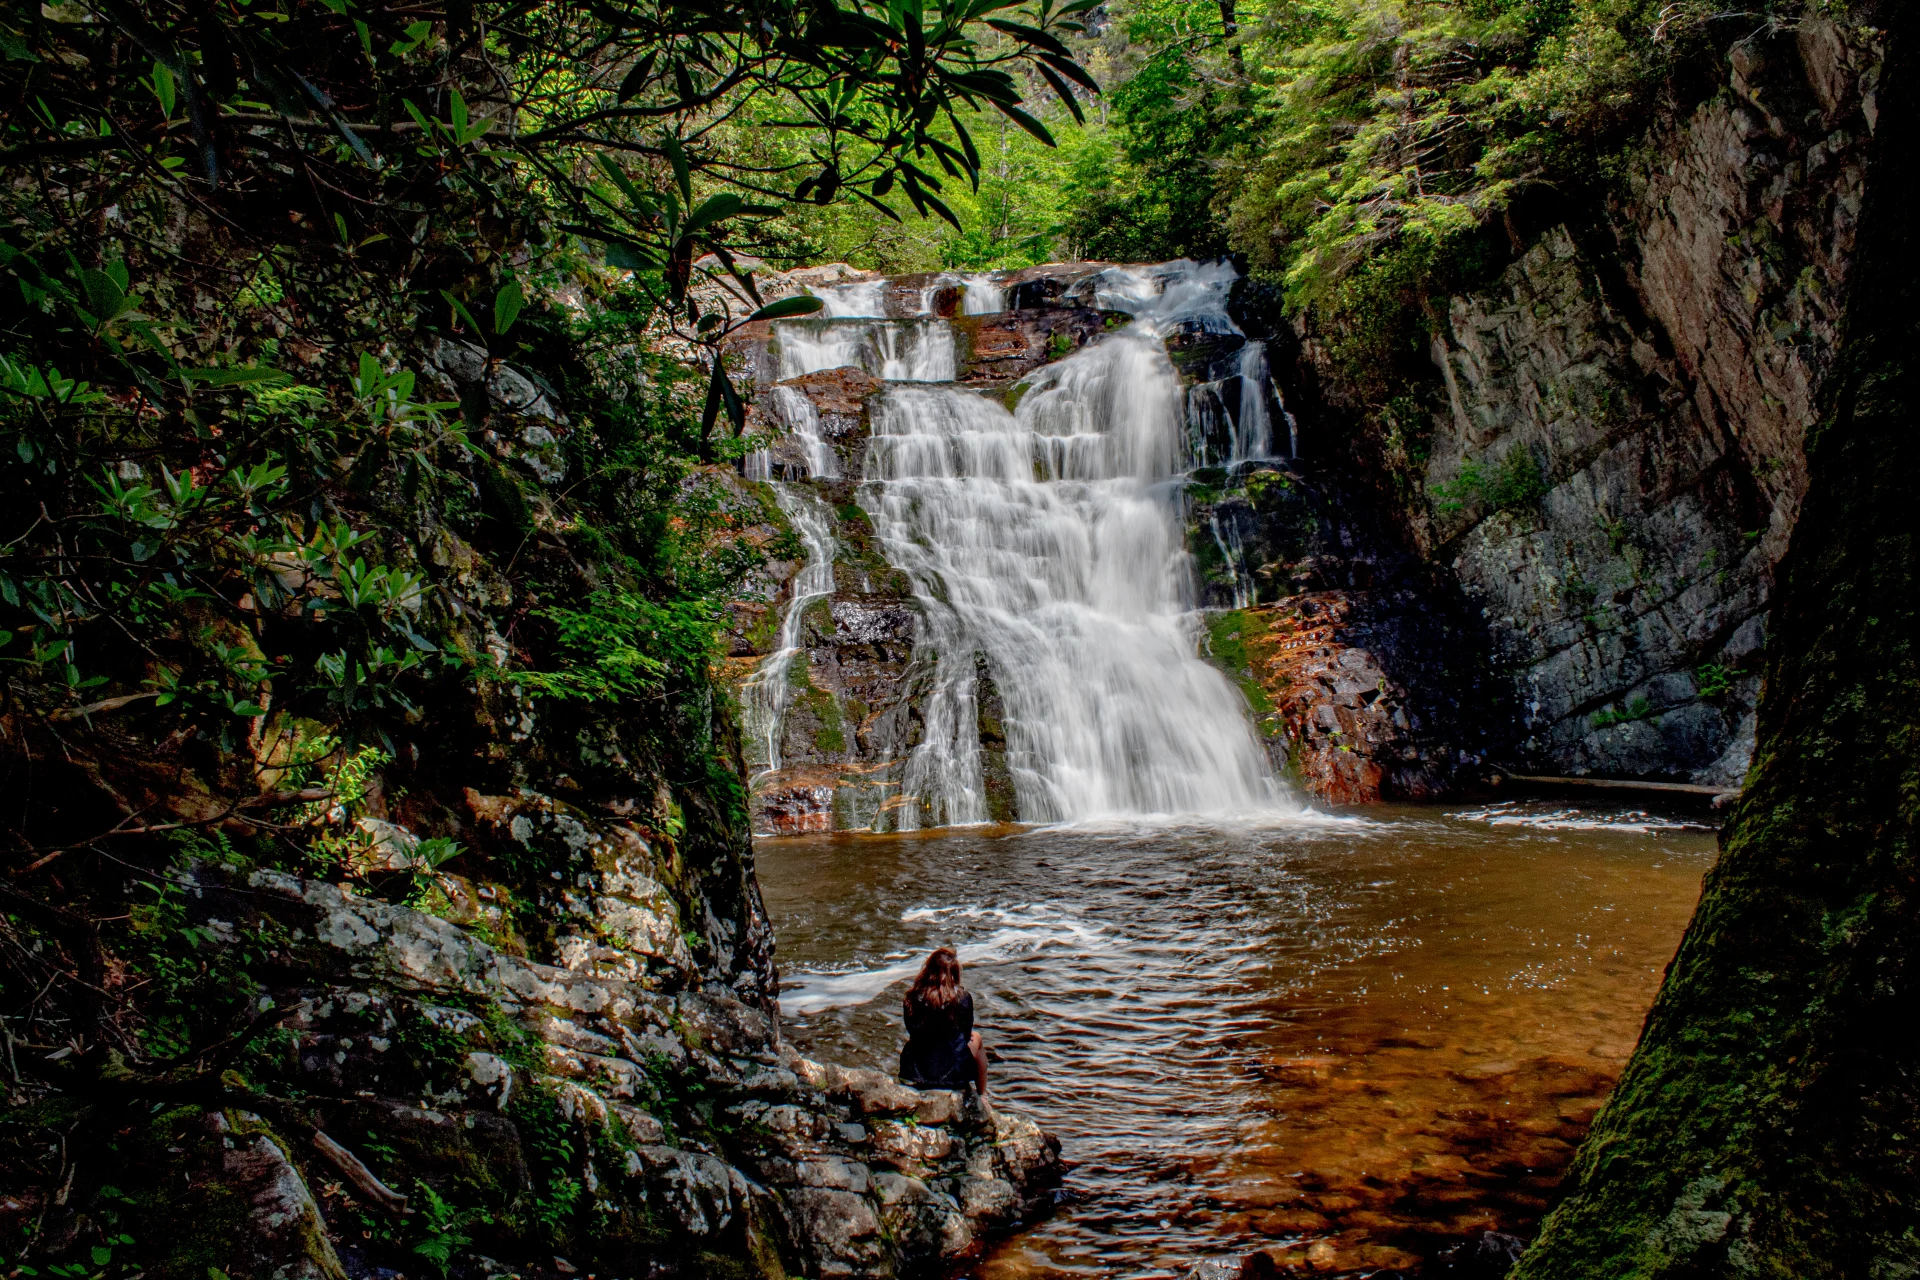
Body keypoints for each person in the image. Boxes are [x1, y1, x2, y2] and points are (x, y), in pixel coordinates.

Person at [898, 946, 988, 1096]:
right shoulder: (963, 998)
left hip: (915, 1073)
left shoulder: (911, 997)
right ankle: (982, 1095)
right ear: (954, 974)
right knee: (976, 1037)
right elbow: (966, 1035)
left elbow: (911, 1030)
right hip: (953, 1075)